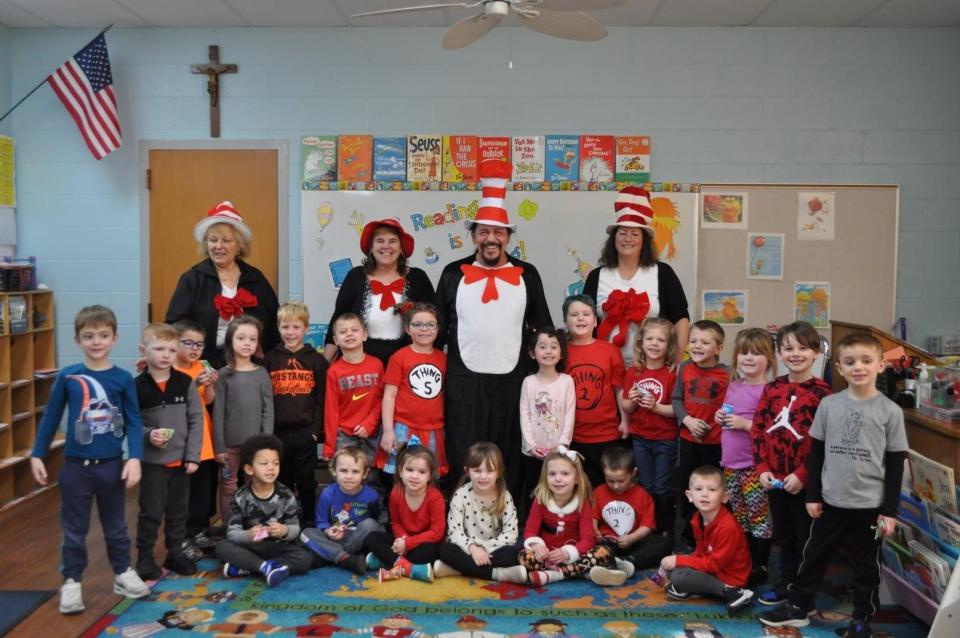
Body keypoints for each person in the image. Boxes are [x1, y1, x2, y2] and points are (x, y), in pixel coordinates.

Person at [759, 333, 907, 638]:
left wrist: (889, 512)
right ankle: (799, 607)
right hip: (830, 501)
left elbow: (895, 465)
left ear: (881, 365)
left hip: (872, 507)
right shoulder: (829, 404)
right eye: (850, 362)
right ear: (839, 367)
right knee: (812, 556)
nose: (858, 368)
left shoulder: (891, 412)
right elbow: (817, 453)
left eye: (867, 361)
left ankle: (861, 619)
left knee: (867, 565)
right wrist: (813, 495)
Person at [435, 159, 552, 498]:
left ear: (508, 237)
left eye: (498, 232)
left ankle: (509, 520)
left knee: (510, 454)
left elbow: (541, 326)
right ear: (473, 236)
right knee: (463, 451)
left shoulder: (526, 273)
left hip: (513, 379)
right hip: (463, 381)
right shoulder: (452, 273)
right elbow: (436, 328)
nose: (491, 239)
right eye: (483, 232)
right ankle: (461, 518)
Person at [29, 305, 150, 614]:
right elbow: (51, 417)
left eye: (103, 335)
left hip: (111, 466)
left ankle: (123, 572)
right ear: (77, 340)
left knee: (116, 526)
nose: (96, 341)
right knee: (74, 529)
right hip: (75, 469)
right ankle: (71, 581)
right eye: (89, 336)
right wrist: (37, 454)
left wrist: (134, 457)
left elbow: (134, 421)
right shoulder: (69, 376)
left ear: (115, 338)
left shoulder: (123, 379)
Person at [751, 321, 831, 606]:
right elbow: (759, 430)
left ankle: (802, 590)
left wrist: (802, 475)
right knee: (783, 536)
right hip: (773, 478)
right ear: (779, 353)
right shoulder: (772, 388)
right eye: (788, 348)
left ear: (816, 351)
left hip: (804, 482)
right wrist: (762, 469)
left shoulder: (823, 394)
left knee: (804, 537)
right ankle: (785, 583)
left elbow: (823, 443)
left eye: (802, 347)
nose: (795, 354)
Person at [166, 200, 280, 370]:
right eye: (213, 240)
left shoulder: (256, 279)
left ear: (239, 245)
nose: (218, 246)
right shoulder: (193, 279)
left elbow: (273, 326)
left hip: (248, 366)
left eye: (226, 240)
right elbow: (175, 325)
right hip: (202, 365)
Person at [583, 186, 690, 365]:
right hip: (605, 364)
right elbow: (584, 320)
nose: (628, 239)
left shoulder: (662, 273)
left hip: (652, 366)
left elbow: (680, 318)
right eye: (622, 233)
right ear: (614, 239)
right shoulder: (597, 276)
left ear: (644, 241)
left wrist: (677, 359)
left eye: (634, 234)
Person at [134, 323, 204, 579]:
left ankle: (175, 553)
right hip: (153, 463)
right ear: (144, 350)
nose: (165, 355)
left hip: (182, 462)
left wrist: (193, 455)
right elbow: (129, 423)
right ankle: (144, 558)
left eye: (171, 350)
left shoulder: (185, 383)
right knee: (150, 512)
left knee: (178, 512)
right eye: (159, 348)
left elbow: (196, 419)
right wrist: (147, 435)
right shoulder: (137, 386)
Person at [324, 218, 435, 367]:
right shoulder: (355, 276)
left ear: (401, 247)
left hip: (407, 363)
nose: (386, 246)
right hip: (359, 363)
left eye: (392, 241)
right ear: (371, 247)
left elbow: (434, 322)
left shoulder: (418, 277)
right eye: (380, 241)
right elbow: (338, 319)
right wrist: (324, 364)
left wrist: (432, 361)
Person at [715, 328, 776, 587]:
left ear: (769, 359)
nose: (749, 358)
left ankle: (760, 566)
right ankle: (744, 562)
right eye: (744, 353)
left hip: (754, 466)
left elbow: (772, 429)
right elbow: (728, 414)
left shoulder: (769, 390)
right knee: (739, 516)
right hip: (730, 464)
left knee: (758, 517)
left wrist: (744, 423)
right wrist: (720, 416)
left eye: (757, 354)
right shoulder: (734, 385)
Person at [216, 434, 313, 587]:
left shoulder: (286, 494)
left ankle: (248, 568)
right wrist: (248, 535)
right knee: (222, 547)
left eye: (276, 463)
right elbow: (232, 533)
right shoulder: (240, 496)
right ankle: (266, 567)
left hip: (278, 547)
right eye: (264, 463)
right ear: (249, 469)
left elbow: (295, 529)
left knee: (305, 558)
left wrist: (284, 531)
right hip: (251, 547)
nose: (271, 468)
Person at [264, 301, 328, 527]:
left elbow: (322, 399)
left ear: (306, 329)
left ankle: (309, 520)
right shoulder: (270, 359)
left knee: (306, 479)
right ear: (278, 328)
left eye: (295, 327)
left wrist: (314, 431)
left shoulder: (317, 360)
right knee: (282, 479)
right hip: (278, 432)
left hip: (305, 431)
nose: (290, 332)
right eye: (285, 327)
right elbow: (265, 398)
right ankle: (284, 520)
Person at [660, 465, 753, 615]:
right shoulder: (697, 518)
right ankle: (695, 588)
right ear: (689, 496)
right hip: (713, 568)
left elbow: (715, 564)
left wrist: (680, 560)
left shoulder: (727, 527)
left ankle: (733, 592)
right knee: (672, 570)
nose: (704, 494)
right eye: (698, 489)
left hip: (731, 577)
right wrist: (680, 561)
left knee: (678, 575)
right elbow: (701, 552)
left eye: (712, 490)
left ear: (724, 497)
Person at [519, 447, 615, 586]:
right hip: (547, 556)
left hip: (574, 554)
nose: (558, 479)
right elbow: (530, 531)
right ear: (545, 477)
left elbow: (588, 539)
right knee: (524, 557)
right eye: (552, 474)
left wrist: (567, 553)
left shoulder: (583, 502)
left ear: (576, 478)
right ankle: (580, 571)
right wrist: (537, 547)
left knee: (604, 552)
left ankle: (553, 575)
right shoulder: (540, 500)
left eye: (565, 474)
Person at [671, 320, 729, 548]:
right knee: (688, 493)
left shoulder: (727, 373)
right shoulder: (685, 367)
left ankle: (713, 538)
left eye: (705, 342)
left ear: (719, 348)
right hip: (687, 442)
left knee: (712, 493)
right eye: (693, 341)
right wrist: (687, 420)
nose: (697, 346)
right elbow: (677, 399)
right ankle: (687, 541)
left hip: (716, 445)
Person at [435, 442, 525, 583]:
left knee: (512, 554)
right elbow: (454, 531)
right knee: (445, 550)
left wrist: (484, 550)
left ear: (499, 472)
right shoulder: (461, 494)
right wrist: (473, 548)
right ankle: (497, 574)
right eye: (477, 470)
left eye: (489, 471)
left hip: (493, 550)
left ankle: (455, 570)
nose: (483, 476)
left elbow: (511, 534)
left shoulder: (504, 496)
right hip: (466, 549)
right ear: (467, 471)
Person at [213, 315, 275, 522]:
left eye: (252, 339)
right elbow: (219, 411)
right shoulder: (223, 374)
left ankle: (252, 524)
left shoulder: (262, 373)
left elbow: (268, 410)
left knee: (255, 485)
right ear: (231, 340)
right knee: (229, 486)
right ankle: (229, 526)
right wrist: (219, 446)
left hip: (255, 445)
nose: (247, 343)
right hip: (229, 445)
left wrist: (265, 443)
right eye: (241, 338)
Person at [564, 294, 628, 489]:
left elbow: (619, 389)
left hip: (607, 433)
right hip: (573, 436)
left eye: (586, 314)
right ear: (566, 321)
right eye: (574, 314)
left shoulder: (610, 351)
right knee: (580, 489)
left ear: (595, 321)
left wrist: (625, 420)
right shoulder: (560, 352)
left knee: (607, 488)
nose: (580, 318)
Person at [377, 303, 447, 479]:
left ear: (438, 328)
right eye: (418, 324)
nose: (425, 329)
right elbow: (389, 396)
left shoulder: (443, 358)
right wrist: (388, 430)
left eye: (431, 324)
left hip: (434, 429)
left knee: (428, 477)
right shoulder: (399, 357)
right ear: (408, 329)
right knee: (401, 476)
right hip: (404, 427)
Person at [621, 317, 678, 533]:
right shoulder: (633, 373)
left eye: (661, 340)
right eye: (650, 338)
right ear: (641, 343)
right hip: (641, 439)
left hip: (665, 439)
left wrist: (655, 407)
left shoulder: (672, 374)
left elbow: (677, 411)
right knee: (645, 486)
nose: (654, 344)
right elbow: (626, 406)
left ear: (669, 346)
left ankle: (665, 530)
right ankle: (647, 527)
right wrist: (634, 401)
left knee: (661, 487)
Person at [172, 319, 220, 556]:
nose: (194, 349)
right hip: (181, 443)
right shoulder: (170, 367)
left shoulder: (203, 365)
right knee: (183, 495)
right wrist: (193, 383)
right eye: (188, 343)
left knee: (203, 491)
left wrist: (210, 385)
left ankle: (199, 531)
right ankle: (181, 538)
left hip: (203, 441)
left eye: (199, 345)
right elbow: (174, 398)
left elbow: (208, 400)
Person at [365, 443, 446, 582]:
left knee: (430, 552)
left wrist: (408, 544)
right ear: (401, 471)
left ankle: (386, 561)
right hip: (403, 540)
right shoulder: (396, 493)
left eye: (422, 472)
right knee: (372, 538)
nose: (415, 476)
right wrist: (402, 540)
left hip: (424, 543)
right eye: (410, 470)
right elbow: (395, 522)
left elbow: (437, 532)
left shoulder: (435, 497)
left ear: (430, 476)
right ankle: (409, 569)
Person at [591, 446, 671, 584]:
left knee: (664, 543)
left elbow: (647, 526)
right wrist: (595, 531)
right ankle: (611, 566)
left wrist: (631, 538)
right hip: (608, 542)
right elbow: (592, 517)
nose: (615, 486)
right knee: (597, 548)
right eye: (610, 481)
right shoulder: (599, 492)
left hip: (634, 541)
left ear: (633, 473)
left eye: (621, 481)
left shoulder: (642, 495)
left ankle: (626, 563)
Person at [519, 327, 575, 521]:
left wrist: (562, 445)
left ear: (561, 353)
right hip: (533, 452)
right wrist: (531, 445)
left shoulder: (567, 381)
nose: (548, 351)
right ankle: (531, 529)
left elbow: (569, 413)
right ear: (532, 353)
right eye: (542, 347)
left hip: (558, 451)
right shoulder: (529, 382)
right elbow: (524, 414)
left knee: (557, 489)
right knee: (534, 490)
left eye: (554, 347)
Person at [300, 446, 384, 575]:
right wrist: (328, 531)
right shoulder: (327, 494)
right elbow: (321, 522)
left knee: (371, 524)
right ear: (334, 471)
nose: (349, 476)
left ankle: (331, 555)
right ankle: (345, 558)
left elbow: (376, 521)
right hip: (333, 538)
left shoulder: (371, 495)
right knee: (305, 533)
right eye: (343, 471)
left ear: (365, 474)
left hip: (357, 538)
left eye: (355, 471)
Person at [322, 313, 384, 468]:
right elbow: (331, 410)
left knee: (371, 477)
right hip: (344, 435)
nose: (349, 334)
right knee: (345, 476)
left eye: (354, 330)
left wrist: (369, 423)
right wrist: (329, 446)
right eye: (343, 332)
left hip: (372, 432)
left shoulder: (376, 365)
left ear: (364, 335)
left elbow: (382, 399)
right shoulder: (334, 371)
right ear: (335, 340)